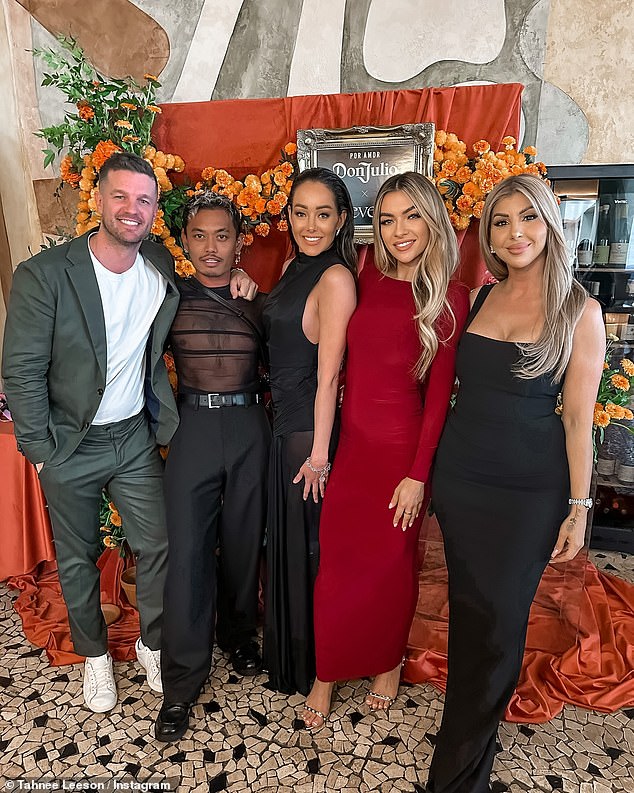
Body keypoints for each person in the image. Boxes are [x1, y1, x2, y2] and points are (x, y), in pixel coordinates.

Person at [1, 152, 256, 713]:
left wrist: (239, 273)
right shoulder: (45, 275)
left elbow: (209, 280)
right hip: (68, 443)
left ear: (154, 210)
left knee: (162, 543)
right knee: (77, 555)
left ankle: (149, 644)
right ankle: (95, 658)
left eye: (144, 200)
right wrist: (41, 453)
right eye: (120, 197)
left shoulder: (161, 265)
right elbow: (18, 370)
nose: (132, 209)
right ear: (98, 201)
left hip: (134, 438)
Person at [425, 174, 605, 792]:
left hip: (528, 492)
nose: (515, 232)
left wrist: (580, 506)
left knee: (500, 628)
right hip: (461, 481)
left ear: (550, 223)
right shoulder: (482, 295)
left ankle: (456, 771)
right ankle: (465, 744)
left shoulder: (580, 309)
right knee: (472, 617)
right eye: (501, 222)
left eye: (527, 218)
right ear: (489, 235)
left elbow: (579, 417)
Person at [301, 171, 470, 730]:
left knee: (392, 569)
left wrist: (418, 475)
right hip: (352, 451)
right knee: (338, 565)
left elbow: (439, 398)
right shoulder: (364, 267)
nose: (399, 230)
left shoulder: (450, 296)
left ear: (432, 220)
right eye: (389, 218)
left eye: (412, 216)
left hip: (401, 459)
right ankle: (328, 669)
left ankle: (388, 662)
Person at [155, 192, 270, 741]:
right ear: (183, 243)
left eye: (222, 235)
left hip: (250, 428)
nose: (210, 247)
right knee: (188, 556)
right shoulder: (168, 297)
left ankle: (241, 637)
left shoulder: (257, 301)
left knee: (246, 544)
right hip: (193, 429)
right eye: (198, 236)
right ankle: (180, 684)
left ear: (239, 240)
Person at [262, 167, 357, 695]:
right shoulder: (295, 265)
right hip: (285, 427)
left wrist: (320, 455)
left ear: (342, 219)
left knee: (310, 551)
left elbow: (330, 378)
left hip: (307, 434)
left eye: (323, 214)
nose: (310, 224)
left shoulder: (337, 277)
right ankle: (292, 658)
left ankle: (314, 665)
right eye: (300, 213)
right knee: (292, 546)